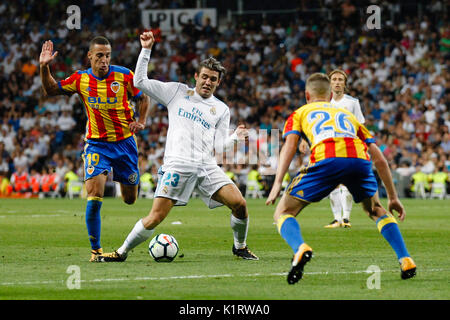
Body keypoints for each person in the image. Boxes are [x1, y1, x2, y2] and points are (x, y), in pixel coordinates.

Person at [95, 31, 258, 262]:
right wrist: (146, 49)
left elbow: (219, 145)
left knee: (240, 204)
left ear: (218, 82)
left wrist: (234, 137)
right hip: (178, 166)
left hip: (206, 167)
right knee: (155, 217)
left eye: (213, 79)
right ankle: (121, 252)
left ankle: (239, 247)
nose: (208, 82)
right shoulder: (177, 92)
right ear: (196, 76)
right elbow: (139, 81)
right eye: (204, 77)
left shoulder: (221, 109)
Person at [266, 73, 416, 284]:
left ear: (307, 94)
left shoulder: (299, 112)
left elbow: (290, 146)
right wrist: (392, 197)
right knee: (375, 209)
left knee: (283, 212)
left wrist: (277, 184)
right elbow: (380, 159)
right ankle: (406, 258)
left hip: (327, 159)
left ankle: (300, 248)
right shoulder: (347, 115)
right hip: (359, 160)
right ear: (329, 96)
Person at [39, 36, 150, 261]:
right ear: (90, 56)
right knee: (94, 194)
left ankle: (125, 186)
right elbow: (51, 90)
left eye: (107, 55)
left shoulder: (125, 75)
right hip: (96, 144)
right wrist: (44, 67)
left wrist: (142, 120)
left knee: (130, 199)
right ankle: (96, 251)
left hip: (125, 143)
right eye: (99, 55)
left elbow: (143, 97)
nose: (104, 60)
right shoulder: (80, 79)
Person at [326, 69, 365, 228]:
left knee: (347, 184)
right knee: (332, 183)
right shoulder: (323, 103)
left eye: (340, 79)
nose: (337, 82)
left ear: (344, 83)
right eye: (334, 79)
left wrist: (363, 144)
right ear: (330, 83)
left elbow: (360, 124)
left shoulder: (352, 102)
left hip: (349, 145)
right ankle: (337, 219)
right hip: (329, 145)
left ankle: (346, 218)